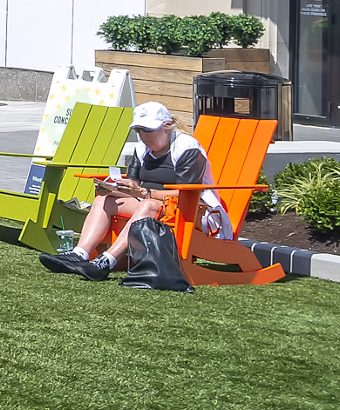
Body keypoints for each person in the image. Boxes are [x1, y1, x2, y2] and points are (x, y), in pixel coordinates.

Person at [41, 101, 231, 280]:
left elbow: (187, 195)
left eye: (148, 130)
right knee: (103, 200)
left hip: (194, 212)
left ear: (166, 126)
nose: (143, 135)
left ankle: (107, 260)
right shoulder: (142, 149)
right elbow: (133, 184)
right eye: (139, 130)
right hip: (154, 206)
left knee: (148, 205)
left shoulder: (187, 148)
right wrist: (113, 188)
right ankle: (80, 253)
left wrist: (144, 194)